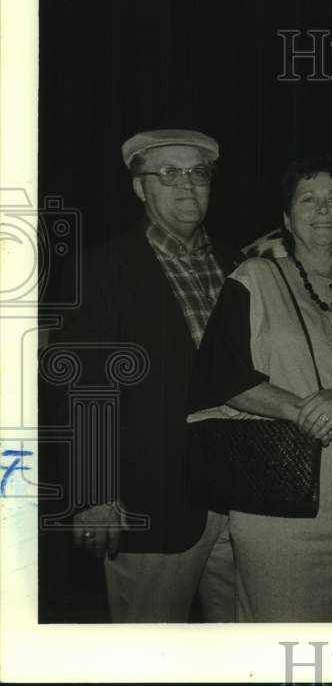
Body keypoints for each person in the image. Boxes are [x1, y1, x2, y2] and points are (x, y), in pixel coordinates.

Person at [188, 155, 332, 621]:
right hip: (279, 511)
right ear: (287, 219)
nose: (322, 209)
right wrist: (301, 411)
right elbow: (221, 376)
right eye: (307, 199)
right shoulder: (254, 278)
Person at [57, 129, 240, 622]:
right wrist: (95, 495)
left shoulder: (237, 264)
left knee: (244, 650)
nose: (187, 185)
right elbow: (83, 386)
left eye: (199, 173)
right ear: (140, 188)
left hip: (244, 502)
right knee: (148, 651)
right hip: (153, 502)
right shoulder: (101, 269)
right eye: (169, 173)